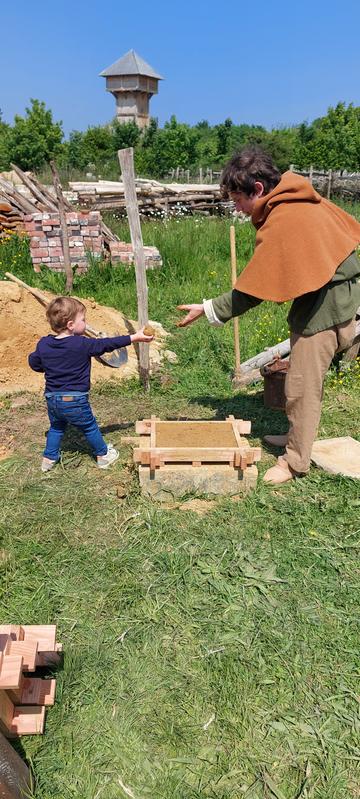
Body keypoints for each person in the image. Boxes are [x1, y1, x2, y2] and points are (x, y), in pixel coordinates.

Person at [177, 147, 360, 485]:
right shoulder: (298, 198)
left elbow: (253, 289)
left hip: (327, 308)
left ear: (258, 189)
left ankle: (294, 463)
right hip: (323, 299)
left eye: (237, 198)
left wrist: (209, 309)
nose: (236, 207)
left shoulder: (286, 217)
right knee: (297, 382)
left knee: (302, 387)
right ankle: (296, 440)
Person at [29, 296, 153, 472]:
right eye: (83, 320)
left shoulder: (44, 344)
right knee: (89, 426)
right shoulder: (82, 344)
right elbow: (108, 344)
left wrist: (49, 365)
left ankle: (48, 459)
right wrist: (135, 337)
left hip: (52, 399)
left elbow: (34, 363)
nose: (86, 324)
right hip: (75, 399)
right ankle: (103, 455)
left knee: (56, 427)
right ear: (71, 325)